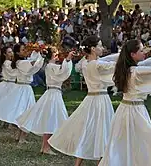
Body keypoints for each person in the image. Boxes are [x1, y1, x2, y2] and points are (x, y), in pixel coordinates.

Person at [48, 35, 118, 166]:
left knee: (87, 129)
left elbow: (108, 59)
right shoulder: (96, 64)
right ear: (92, 48)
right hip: (100, 100)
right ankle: (100, 162)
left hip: (91, 99)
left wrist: (121, 54)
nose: (102, 48)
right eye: (100, 45)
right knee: (102, 130)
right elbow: (112, 65)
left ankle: (79, 163)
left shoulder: (85, 63)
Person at [16, 47, 74, 154]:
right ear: (53, 55)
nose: (58, 55)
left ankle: (45, 146)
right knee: (51, 120)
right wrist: (68, 60)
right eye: (56, 53)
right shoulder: (52, 67)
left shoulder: (50, 66)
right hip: (53, 94)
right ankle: (46, 147)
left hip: (52, 93)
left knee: (51, 119)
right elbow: (63, 72)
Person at [0, 43, 45, 143]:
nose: (25, 51)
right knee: (27, 112)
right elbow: (33, 64)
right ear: (18, 53)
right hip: (23, 89)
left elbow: (32, 64)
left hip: (23, 88)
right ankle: (22, 137)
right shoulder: (20, 62)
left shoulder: (21, 62)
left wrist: (36, 52)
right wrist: (39, 54)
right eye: (23, 50)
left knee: (25, 112)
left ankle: (19, 136)